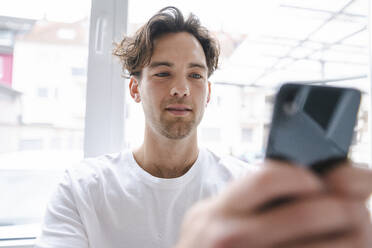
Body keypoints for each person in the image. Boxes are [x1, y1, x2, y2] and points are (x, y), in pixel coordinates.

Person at [35, 6, 372, 248]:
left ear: (208, 92)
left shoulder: (247, 189)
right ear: (135, 89)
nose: (181, 88)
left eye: (195, 75)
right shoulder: (80, 190)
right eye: (163, 73)